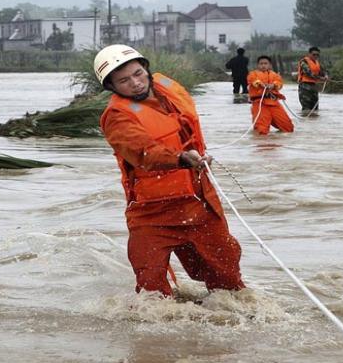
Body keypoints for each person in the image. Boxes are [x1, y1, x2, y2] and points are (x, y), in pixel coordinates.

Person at [94, 44, 245, 297]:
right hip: (151, 213)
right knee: (151, 293)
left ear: (147, 69)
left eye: (138, 74)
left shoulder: (170, 94)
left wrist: (198, 156)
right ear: (112, 87)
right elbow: (144, 152)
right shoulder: (117, 117)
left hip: (199, 203)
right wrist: (182, 158)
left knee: (228, 282)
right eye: (124, 80)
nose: (135, 83)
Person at [246, 55, 295, 135]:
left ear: (269, 65)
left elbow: (279, 84)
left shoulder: (275, 75)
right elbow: (255, 82)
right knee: (262, 130)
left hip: (274, 103)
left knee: (288, 128)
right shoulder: (252, 74)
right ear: (258, 65)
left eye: (265, 63)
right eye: (261, 64)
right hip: (260, 103)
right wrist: (263, 85)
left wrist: (273, 85)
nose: (263, 65)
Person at [297, 46, 329, 114]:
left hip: (314, 87)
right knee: (306, 108)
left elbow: (323, 71)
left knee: (315, 107)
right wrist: (321, 78)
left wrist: (325, 75)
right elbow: (308, 73)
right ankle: (307, 122)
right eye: (314, 54)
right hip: (304, 87)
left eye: (317, 55)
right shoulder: (304, 62)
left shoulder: (317, 63)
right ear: (309, 54)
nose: (316, 56)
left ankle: (314, 122)